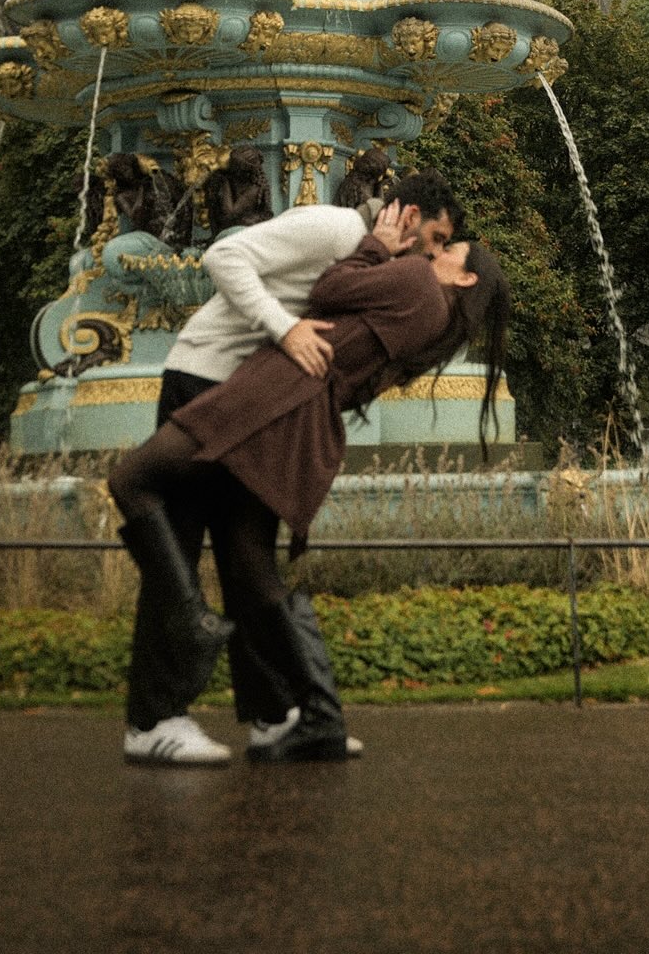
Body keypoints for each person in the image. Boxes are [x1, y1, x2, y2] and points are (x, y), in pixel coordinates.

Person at [109, 201, 510, 766]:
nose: (433, 251)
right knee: (248, 563)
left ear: (466, 277)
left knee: (137, 485)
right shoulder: (368, 254)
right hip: (281, 405)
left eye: (447, 248)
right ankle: (301, 714)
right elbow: (238, 260)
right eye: (437, 237)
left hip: (267, 395)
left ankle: (184, 651)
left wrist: (372, 252)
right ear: (410, 211)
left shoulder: (411, 276)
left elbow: (327, 291)